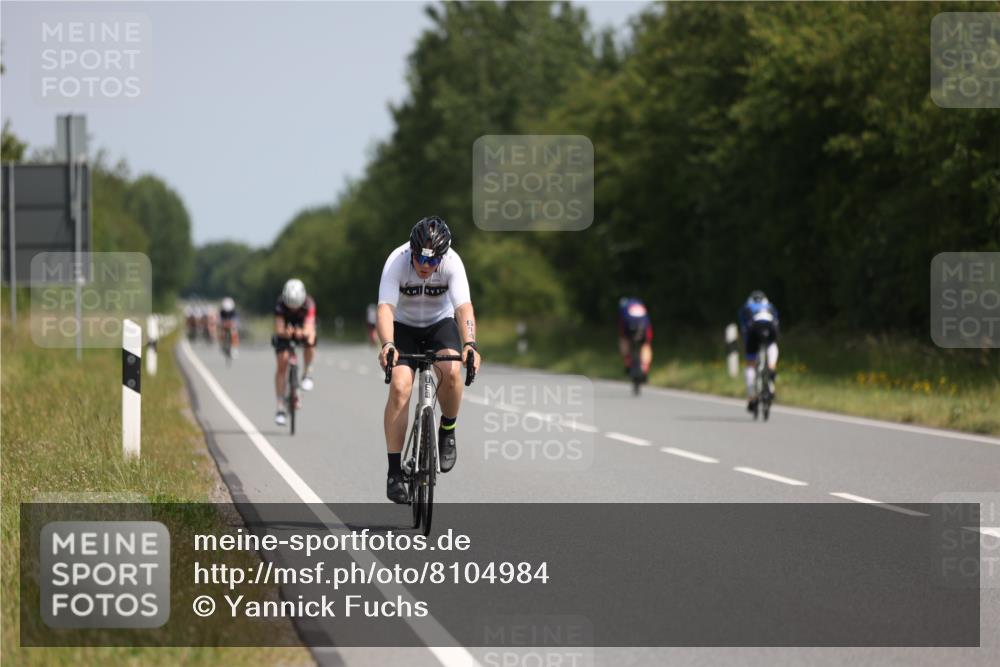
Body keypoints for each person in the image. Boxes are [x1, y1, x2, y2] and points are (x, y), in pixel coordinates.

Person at [377, 216, 481, 504]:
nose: (425, 267)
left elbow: (463, 307)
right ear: (411, 252)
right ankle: (395, 471)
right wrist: (387, 344)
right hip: (404, 328)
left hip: (439, 325)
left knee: (452, 371)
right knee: (399, 387)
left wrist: (470, 344)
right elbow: (385, 308)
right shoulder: (397, 261)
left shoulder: (452, 263)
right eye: (420, 261)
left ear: (442, 257)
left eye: (432, 263)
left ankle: (447, 429)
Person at [272, 278, 317, 425]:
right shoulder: (280, 304)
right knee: (282, 363)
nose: (293, 309)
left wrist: (301, 332)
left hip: (301, 327)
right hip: (285, 330)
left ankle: (308, 373)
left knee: (311, 340)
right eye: (290, 306)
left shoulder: (309, 304)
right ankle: (280, 407)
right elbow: (279, 329)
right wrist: (287, 333)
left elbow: (309, 328)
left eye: (296, 306)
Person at [738, 290, 780, 412]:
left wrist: (748, 343)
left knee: (750, 365)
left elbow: (744, 328)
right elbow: (776, 321)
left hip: (754, 329)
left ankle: (752, 397)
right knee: (772, 345)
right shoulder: (770, 306)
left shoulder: (746, 307)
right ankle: (771, 367)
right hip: (770, 327)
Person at [617, 297, 653, 381]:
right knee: (646, 345)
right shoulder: (640, 305)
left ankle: (628, 365)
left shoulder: (623, 308)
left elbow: (621, 326)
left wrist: (622, 336)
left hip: (628, 326)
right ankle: (645, 369)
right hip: (644, 326)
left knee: (624, 340)